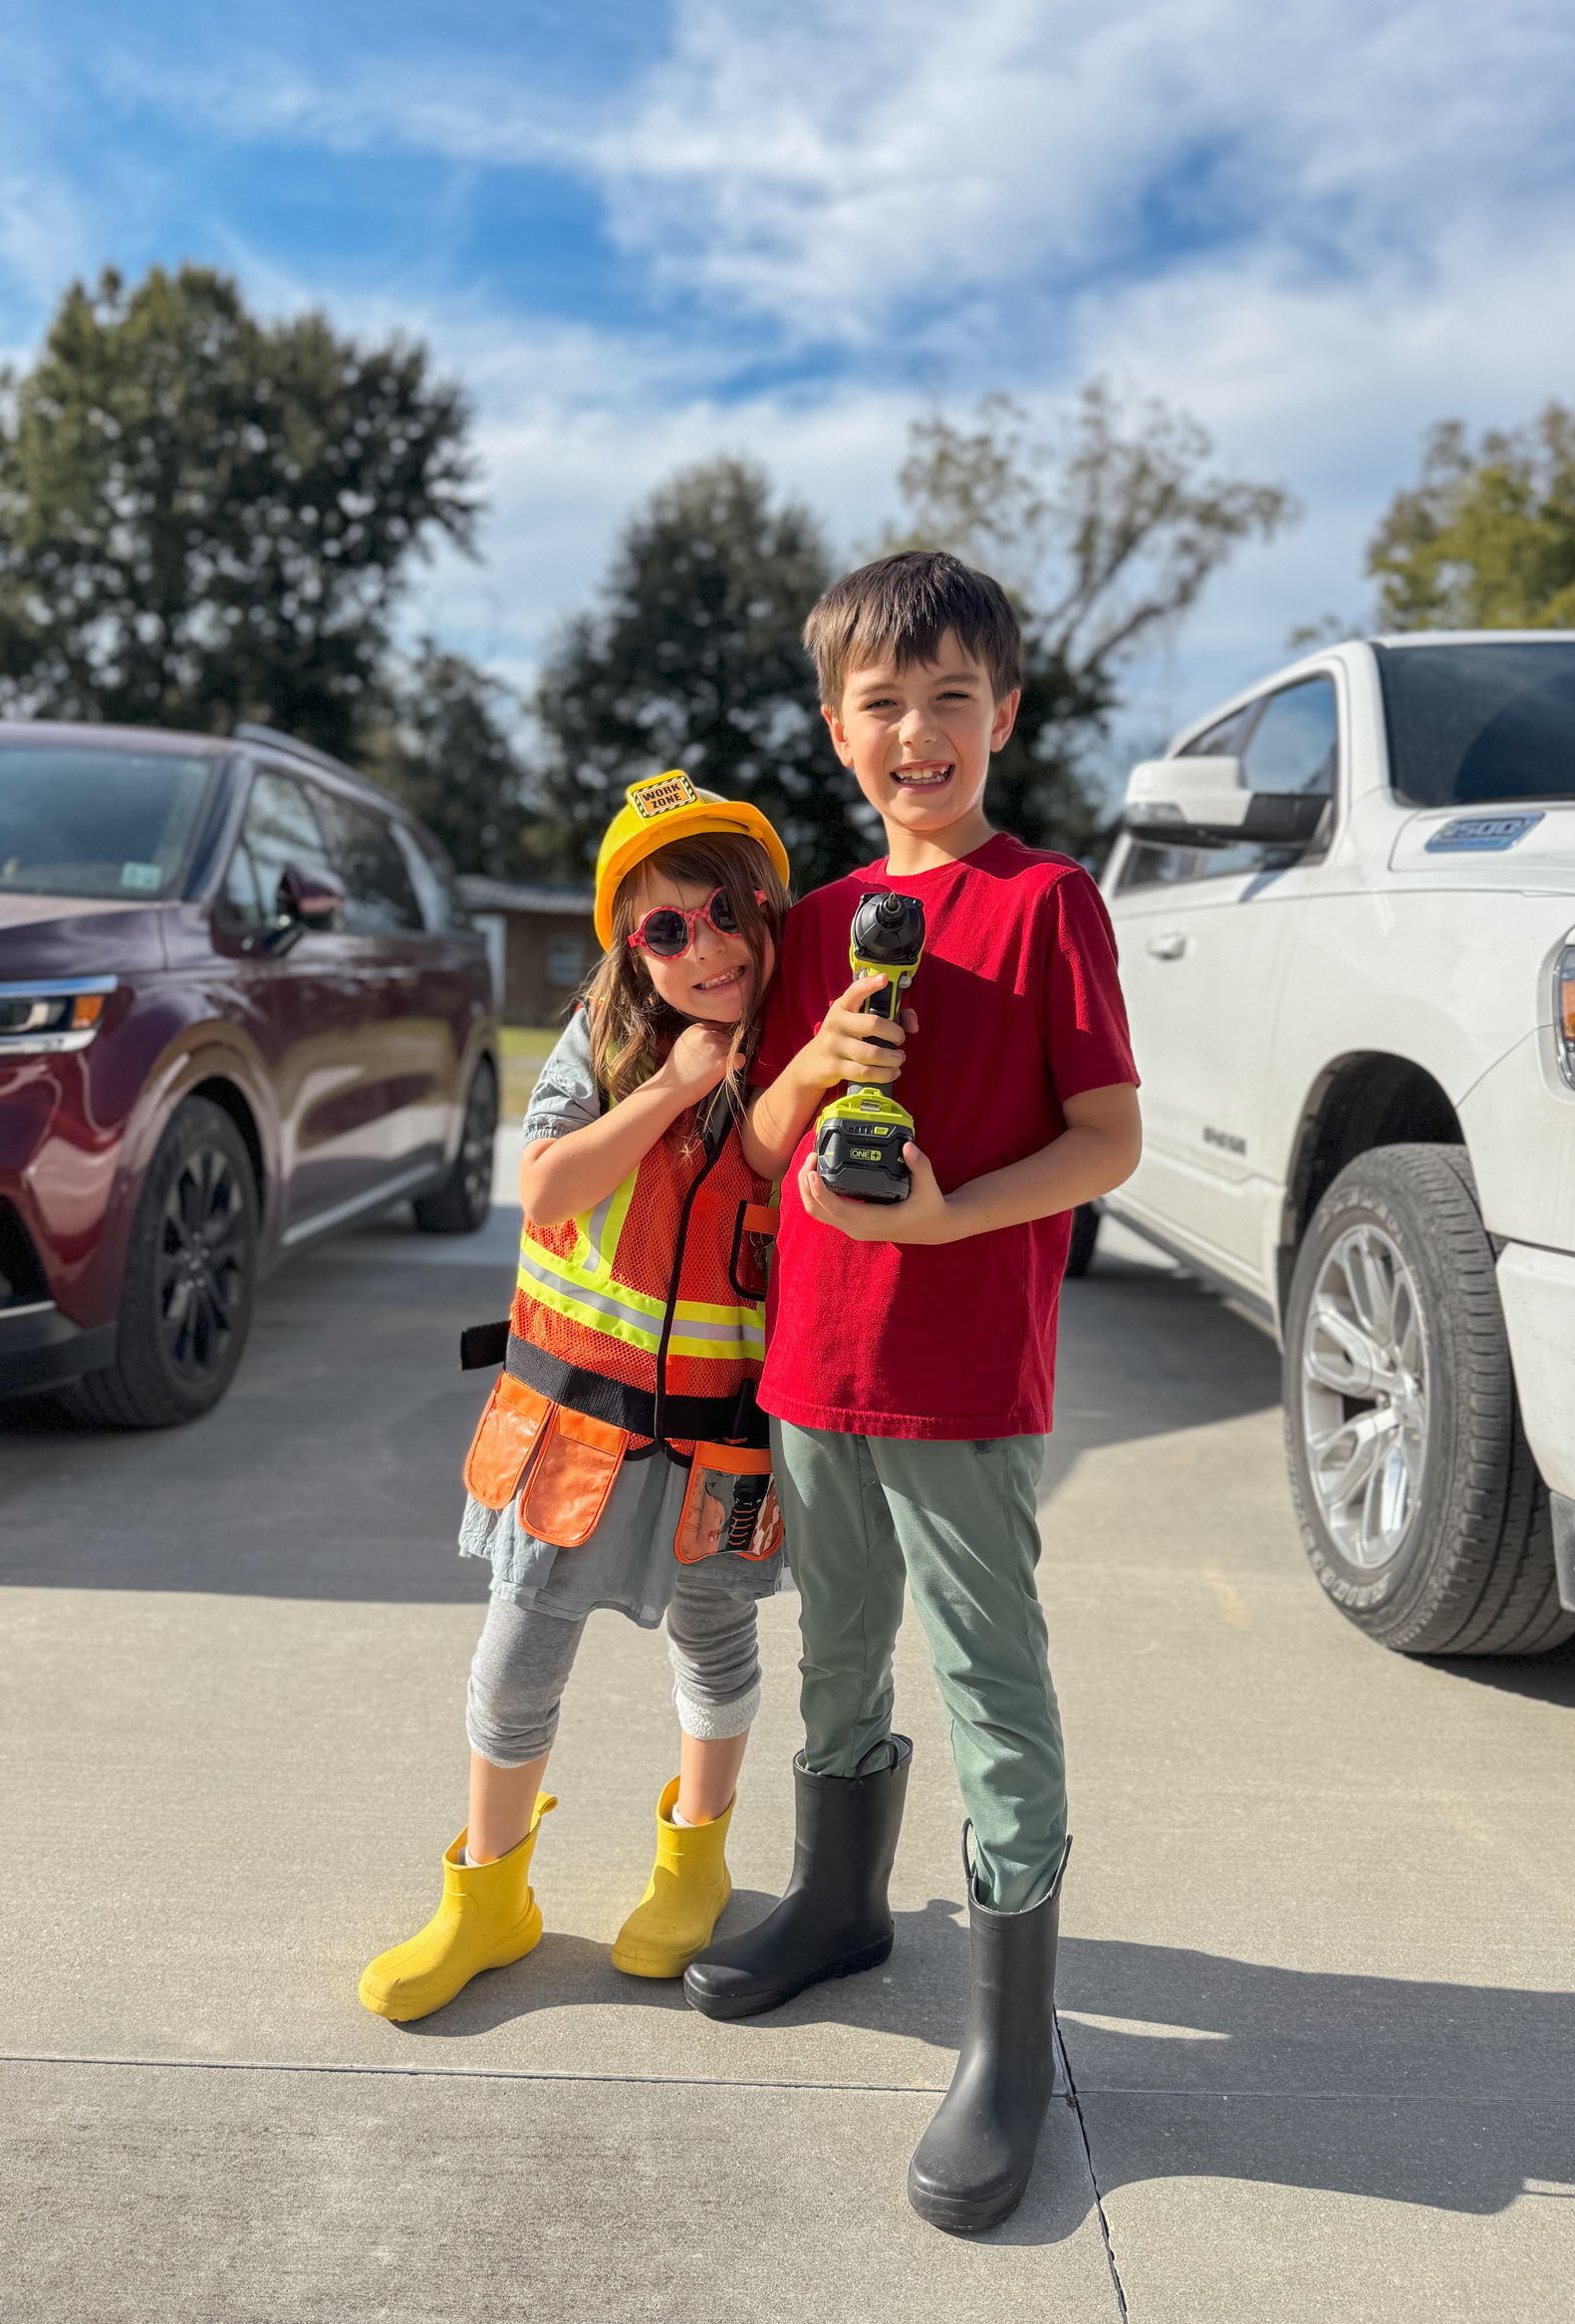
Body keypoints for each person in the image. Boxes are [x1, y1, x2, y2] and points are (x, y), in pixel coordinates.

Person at [682, 551, 1144, 2234]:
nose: (920, 731)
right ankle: (836, 1902)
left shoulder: (1046, 904)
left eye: (954, 699)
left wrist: (952, 1211)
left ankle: (1010, 2047)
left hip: (962, 1384)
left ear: (1002, 717)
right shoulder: (812, 931)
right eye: (885, 703)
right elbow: (752, 1147)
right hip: (818, 1372)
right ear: (835, 728)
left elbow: (1108, 1140)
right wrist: (811, 1066)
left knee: (989, 1686)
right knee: (838, 1648)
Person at [360, 775, 794, 2021]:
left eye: (722, 911)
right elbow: (547, 1189)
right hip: (579, 1435)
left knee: (716, 1649)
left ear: (766, 909)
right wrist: (667, 1090)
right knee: (514, 1664)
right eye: (662, 929)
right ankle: (489, 1901)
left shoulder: (806, 1040)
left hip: (720, 1441)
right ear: (626, 947)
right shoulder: (600, 1043)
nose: (701, 946)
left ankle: (694, 1872)